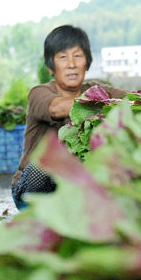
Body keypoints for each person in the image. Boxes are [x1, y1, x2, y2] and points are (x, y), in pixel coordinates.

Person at [11, 24, 126, 208]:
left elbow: (136, 100)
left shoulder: (100, 91)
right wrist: (108, 104)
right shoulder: (39, 93)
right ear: (51, 67)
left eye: (78, 56)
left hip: (75, 189)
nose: (71, 64)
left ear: (87, 62)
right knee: (44, 163)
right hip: (34, 190)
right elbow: (57, 108)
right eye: (63, 57)